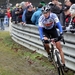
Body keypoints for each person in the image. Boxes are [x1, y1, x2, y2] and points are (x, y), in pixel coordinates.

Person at [38, 5, 68, 71]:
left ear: (49, 12)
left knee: (59, 48)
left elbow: (59, 24)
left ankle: (64, 65)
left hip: (53, 30)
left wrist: (61, 33)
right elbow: (40, 30)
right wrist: (42, 38)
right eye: (44, 13)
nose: (45, 14)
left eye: (46, 13)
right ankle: (49, 54)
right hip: (45, 31)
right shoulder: (41, 18)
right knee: (46, 43)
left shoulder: (53, 15)